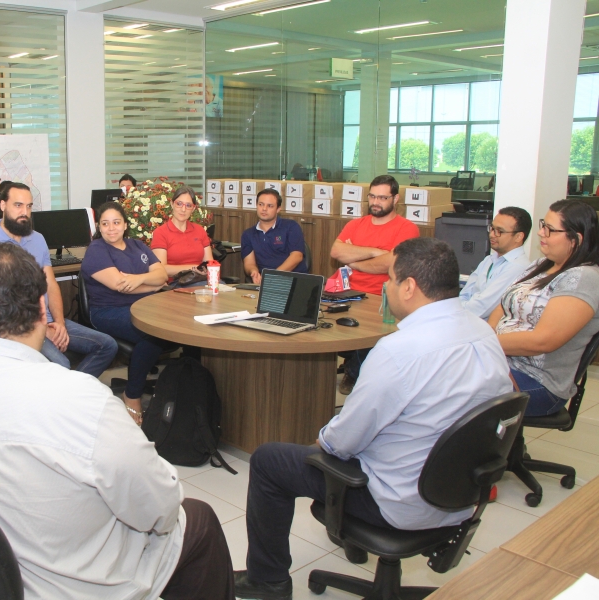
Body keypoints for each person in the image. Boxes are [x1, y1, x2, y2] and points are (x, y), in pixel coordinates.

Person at [0, 243, 234, 599]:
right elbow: (159, 507)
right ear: (42, 309)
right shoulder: (81, 399)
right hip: (60, 589)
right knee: (198, 518)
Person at [234, 238, 512, 600]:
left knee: (270, 460)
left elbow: (341, 443)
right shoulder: (485, 333)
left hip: (397, 502)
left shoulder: (400, 350)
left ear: (409, 287)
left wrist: (321, 442)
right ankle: (349, 541)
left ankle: (267, 580)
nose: (385, 286)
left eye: (390, 279)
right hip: (460, 497)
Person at [0, 182, 117, 377]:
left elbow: (50, 284)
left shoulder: (37, 239)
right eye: (18, 205)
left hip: (49, 321)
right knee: (61, 365)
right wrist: (42, 330)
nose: (24, 212)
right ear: (3, 205)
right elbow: (0, 307)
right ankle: (67, 389)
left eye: (29, 206)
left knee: (107, 345)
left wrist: (60, 323)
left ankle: (71, 389)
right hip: (18, 329)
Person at [489, 199, 599, 417]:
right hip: (501, 360)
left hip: (537, 381)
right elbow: (503, 304)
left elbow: (543, 341)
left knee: (451, 389)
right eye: (543, 225)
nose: (540, 233)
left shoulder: (584, 278)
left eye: (549, 229)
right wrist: (487, 337)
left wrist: (483, 344)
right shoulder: (540, 265)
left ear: (576, 239)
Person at [330, 174, 419, 394]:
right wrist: (374, 252)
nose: (376, 202)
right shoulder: (355, 224)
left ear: (395, 199)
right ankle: (349, 363)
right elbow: (336, 251)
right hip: (346, 291)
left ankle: (355, 372)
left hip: (382, 297)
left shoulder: (407, 229)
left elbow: (390, 263)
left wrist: (354, 260)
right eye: (372, 196)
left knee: (367, 330)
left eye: (382, 198)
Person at [81, 202, 168, 424]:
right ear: (99, 227)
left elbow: (162, 275)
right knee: (153, 335)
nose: (111, 228)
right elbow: (120, 285)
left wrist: (139, 279)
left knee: (174, 326)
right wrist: (153, 285)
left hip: (145, 307)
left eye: (116, 222)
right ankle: (132, 395)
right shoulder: (97, 250)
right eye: (105, 224)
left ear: (125, 225)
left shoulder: (137, 245)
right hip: (107, 311)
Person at [459, 206, 532, 319]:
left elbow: (480, 309)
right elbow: (464, 294)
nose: (492, 234)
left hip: (482, 325)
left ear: (518, 237)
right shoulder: (489, 260)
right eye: (492, 228)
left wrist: (456, 311)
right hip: (464, 318)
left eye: (499, 231)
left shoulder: (517, 267)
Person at [241, 188, 307, 285]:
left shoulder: (291, 227)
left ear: (278, 209)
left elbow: (297, 256)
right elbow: (249, 263)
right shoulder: (248, 234)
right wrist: (253, 271)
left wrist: (273, 276)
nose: (264, 209)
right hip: (264, 283)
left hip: (293, 281)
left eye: (270, 206)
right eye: (261, 204)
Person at [151, 185, 213, 278]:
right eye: (179, 204)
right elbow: (161, 269)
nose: (183, 209)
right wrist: (194, 268)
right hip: (178, 282)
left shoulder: (200, 230)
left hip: (201, 280)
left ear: (193, 208)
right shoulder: (160, 233)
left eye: (188, 205)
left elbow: (210, 264)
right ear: (172, 204)